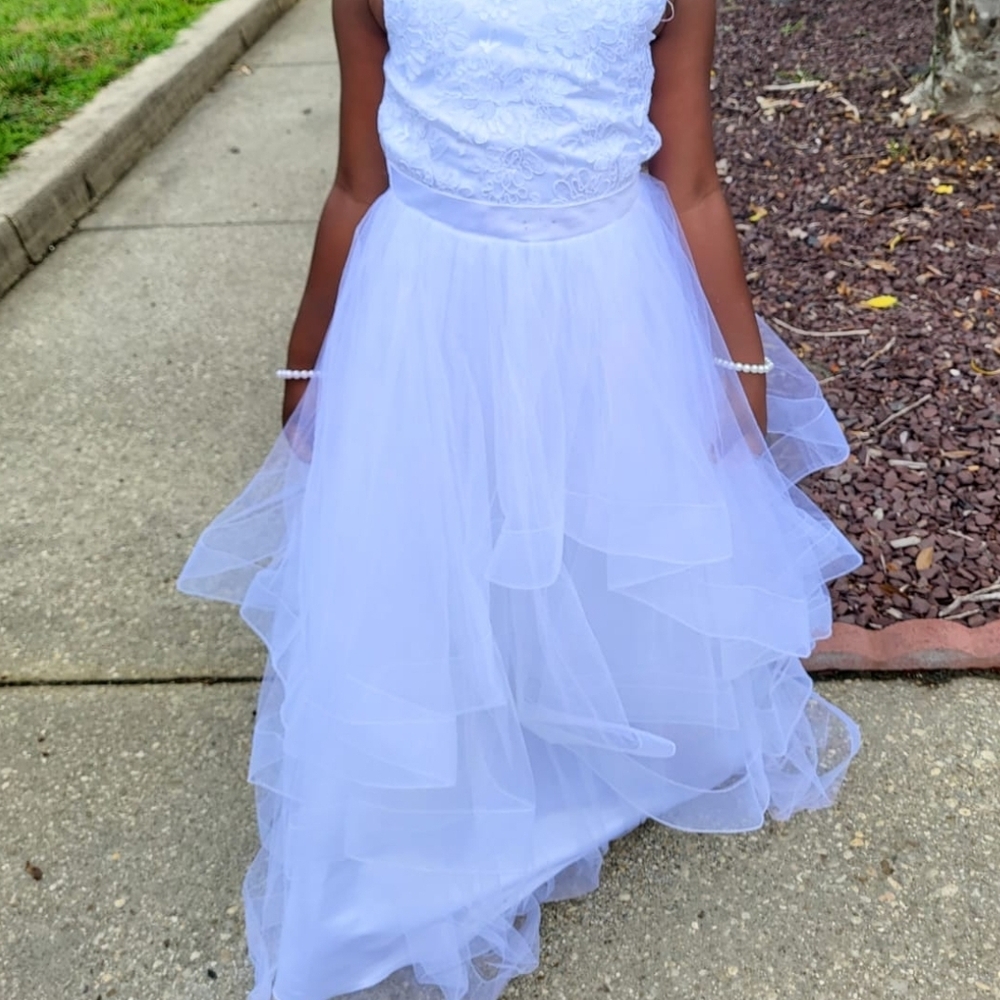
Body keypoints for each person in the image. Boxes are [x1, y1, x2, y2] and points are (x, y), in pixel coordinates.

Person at [178, 2, 863, 999]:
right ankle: (467, 746)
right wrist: (308, 360)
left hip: (608, 296)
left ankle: (582, 712)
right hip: (424, 303)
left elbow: (691, 179)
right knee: (435, 531)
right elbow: (360, 181)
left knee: (594, 512)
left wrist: (737, 360)